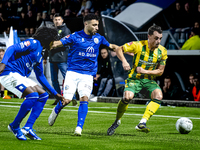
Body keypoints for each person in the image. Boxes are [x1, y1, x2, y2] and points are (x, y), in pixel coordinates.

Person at [48, 13, 120, 136]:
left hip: (87, 75)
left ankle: (78, 128)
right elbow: (56, 43)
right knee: (66, 100)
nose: (97, 27)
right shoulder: (75, 36)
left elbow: (112, 46)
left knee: (84, 98)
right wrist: (42, 43)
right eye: (94, 25)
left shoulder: (99, 38)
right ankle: (56, 110)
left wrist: (126, 49)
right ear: (86, 24)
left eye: (98, 25)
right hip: (72, 73)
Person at [0, 27, 69, 141]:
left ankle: (27, 127)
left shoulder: (40, 54)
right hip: (9, 73)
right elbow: (12, 48)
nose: (54, 43)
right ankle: (14, 126)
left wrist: (55, 94)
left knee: (43, 95)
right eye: (54, 39)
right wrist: (3, 63)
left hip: (20, 76)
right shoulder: (33, 43)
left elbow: (40, 76)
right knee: (32, 96)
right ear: (48, 39)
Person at [107, 24, 168, 135]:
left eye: (160, 38)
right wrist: (124, 61)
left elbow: (160, 71)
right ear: (149, 36)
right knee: (127, 97)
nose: (158, 41)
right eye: (156, 38)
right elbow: (119, 49)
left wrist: (145, 71)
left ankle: (142, 123)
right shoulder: (138, 45)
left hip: (149, 81)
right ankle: (117, 121)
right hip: (134, 79)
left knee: (159, 95)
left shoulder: (162, 51)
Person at [43, 13, 71, 105]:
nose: (57, 21)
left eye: (59, 19)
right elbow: (48, 44)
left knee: (67, 78)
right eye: (55, 20)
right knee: (54, 80)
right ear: (53, 21)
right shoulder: (51, 30)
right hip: (52, 59)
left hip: (62, 58)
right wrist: (45, 57)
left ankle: (71, 97)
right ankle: (59, 98)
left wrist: (54, 46)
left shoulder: (66, 30)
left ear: (62, 20)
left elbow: (66, 44)